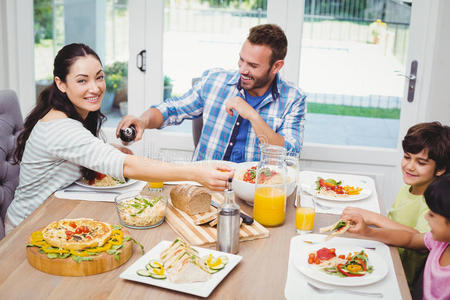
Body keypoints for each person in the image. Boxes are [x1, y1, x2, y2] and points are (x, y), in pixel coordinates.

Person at [6, 43, 232, 232]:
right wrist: (194, 173)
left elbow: (79, 151)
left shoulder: (72, 114)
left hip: (56, 214)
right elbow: (128, 165)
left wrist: (111, 148)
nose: (95, 88)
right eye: (82, 81)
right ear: (61, 84)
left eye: (99, 77)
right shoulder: (60, 127)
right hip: (27, 227)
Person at [116, 24, 306, 163]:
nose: (242, 69)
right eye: (241, 60)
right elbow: (172, 109)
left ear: (276, 66)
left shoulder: (293, 99)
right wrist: (142, 121)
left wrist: (252, 116)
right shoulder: (214, 81)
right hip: (203, 189)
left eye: (253, 65)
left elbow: (288, 152)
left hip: (256, 195)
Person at [343, 121, 450, 290]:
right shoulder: (407, 188)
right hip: (383, 252)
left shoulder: (436, 205)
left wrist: (375, 218)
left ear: (440, 169)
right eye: (407, 157)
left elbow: (418, 239)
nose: (409, 166)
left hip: (399, 274)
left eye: (421, 163)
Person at [342, 174, 450, 300]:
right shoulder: (439, 242)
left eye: (432, 215)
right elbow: (411, 239)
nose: (426, 217)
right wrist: (368, 232)